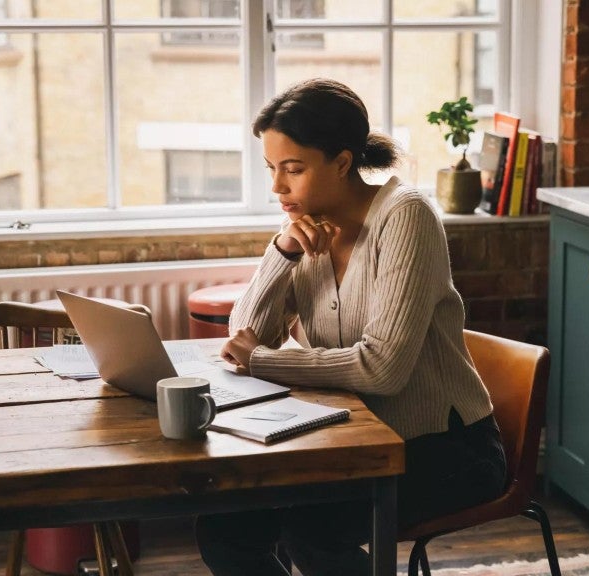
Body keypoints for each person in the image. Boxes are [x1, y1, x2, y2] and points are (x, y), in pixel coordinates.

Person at [196, 78, 506, 576]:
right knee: (224, 530)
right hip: (351, 438)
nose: (278, 187)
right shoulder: (306, 225)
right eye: (272, 168)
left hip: (447, 448)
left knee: (314, 532)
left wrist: (264, 359)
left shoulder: (406, 216)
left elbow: (382, 369)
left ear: (342, 163)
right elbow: (245, 336)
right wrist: (282, 253)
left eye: (293, 170)